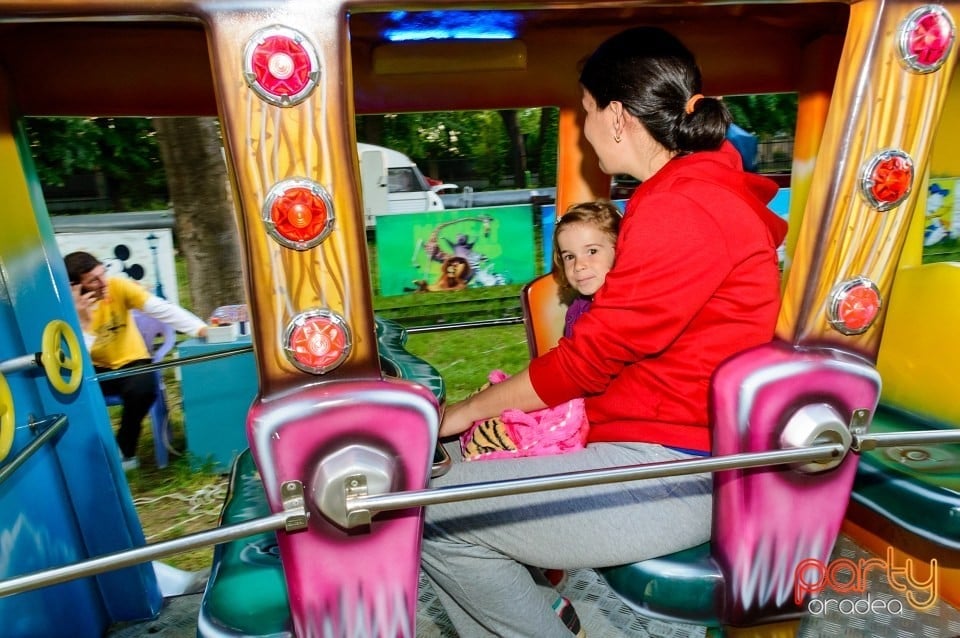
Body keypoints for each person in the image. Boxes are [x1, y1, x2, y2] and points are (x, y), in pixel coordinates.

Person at [419, 26, 788, 637]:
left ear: (617, 117)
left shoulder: (685, 206)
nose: (585, 128)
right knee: (439, 472)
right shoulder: (681, 194)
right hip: (655, 448)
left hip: (674, 468)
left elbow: (586, 362)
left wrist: (461, 412)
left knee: (431, 517)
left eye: (587, 111)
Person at [460, 200, 622, 460]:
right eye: (569, 256)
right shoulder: (579, 308)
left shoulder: (618, 310)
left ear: (619, 251)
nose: (578, 265)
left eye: (591, 251)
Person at [64, 250, 209, 471]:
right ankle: (87, 458)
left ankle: (125, 449)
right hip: (93, 367)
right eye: (93, 280)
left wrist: (200, 329)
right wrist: (84, 322)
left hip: (131, 360)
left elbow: (161, 309)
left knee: (143, 390)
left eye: (102, 273)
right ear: (76, 286)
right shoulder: (64, 308)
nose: (103, 282)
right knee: (72, 396)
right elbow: (75, 358)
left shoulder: (117, 286)